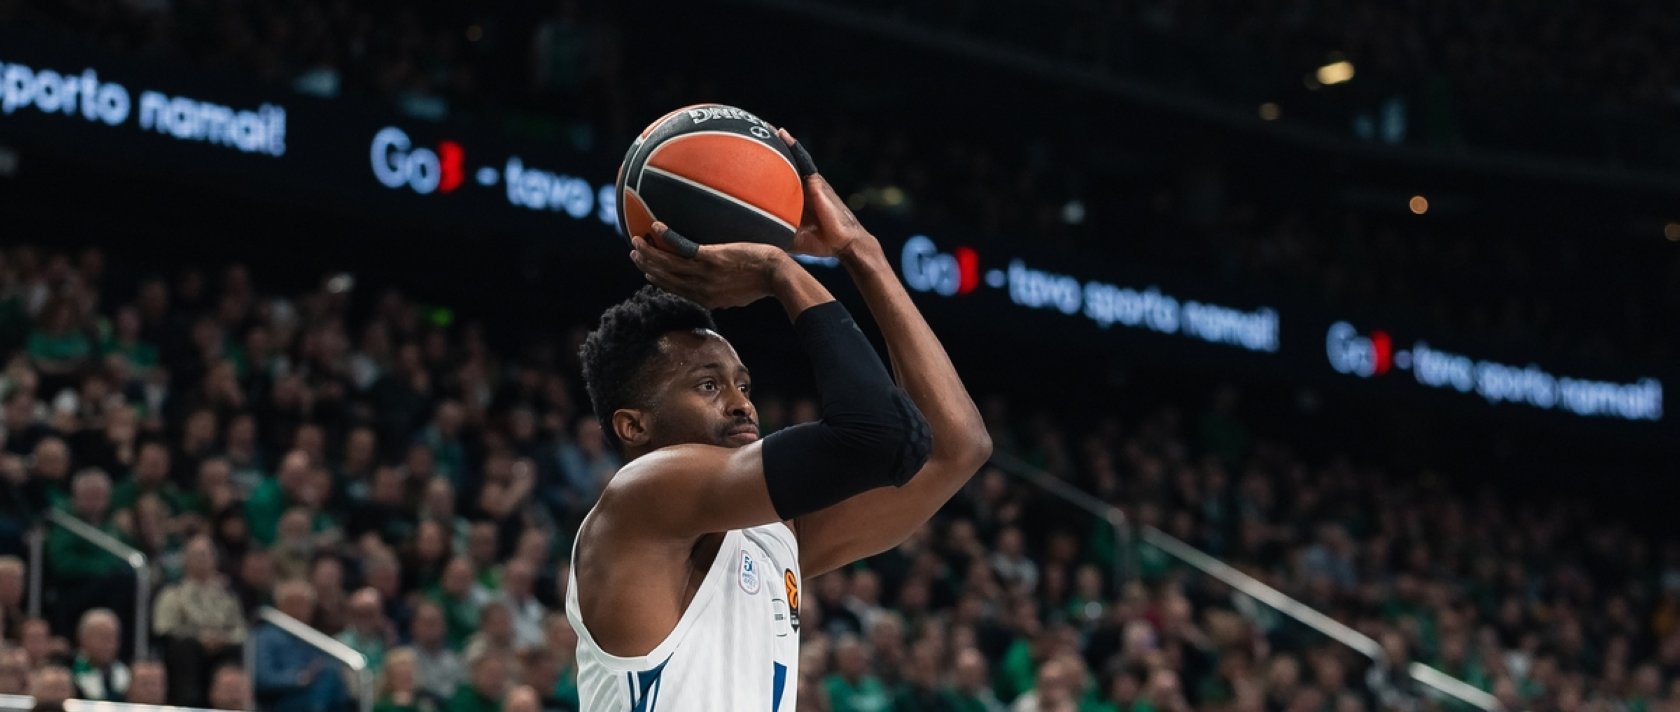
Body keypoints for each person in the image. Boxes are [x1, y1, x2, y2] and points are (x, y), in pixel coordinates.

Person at [567, 130, 990, 710]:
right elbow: (876, 437)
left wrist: (862, 252)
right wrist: (778, 268)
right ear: (633, 427)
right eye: (709, 386)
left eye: (743, 384)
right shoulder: (641, 500)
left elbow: (954, 447)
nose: (741, 404)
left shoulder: (774, 535)